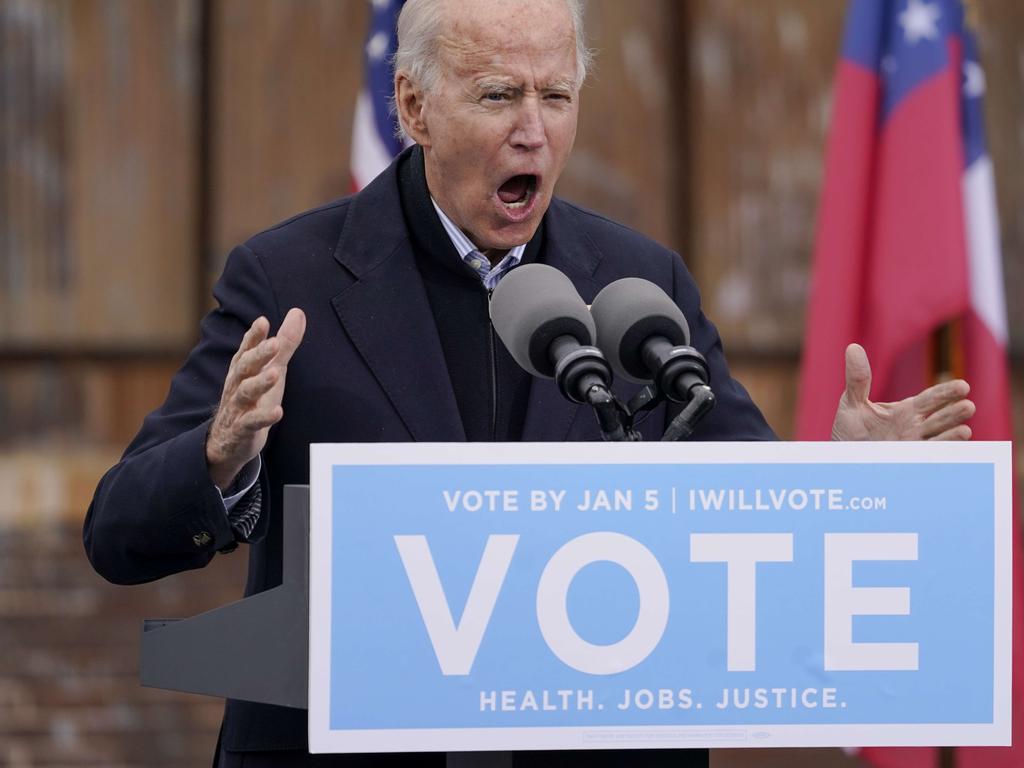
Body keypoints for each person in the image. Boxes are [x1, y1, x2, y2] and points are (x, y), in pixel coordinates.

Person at [83, 0, 975, 765]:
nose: (533, 130)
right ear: (414, 106)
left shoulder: (640, 285)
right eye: (499, 95)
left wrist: (836, 485)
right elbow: (118, 532)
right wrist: (219, 455)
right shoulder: (289, 281)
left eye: (556, 96)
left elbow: (739, 523)